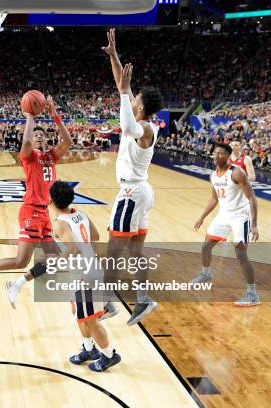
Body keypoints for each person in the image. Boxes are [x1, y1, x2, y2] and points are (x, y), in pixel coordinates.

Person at [0, 96, 72, 299]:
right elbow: (27, 141)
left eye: (41, 135)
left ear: (46, 140)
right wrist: (30, 117)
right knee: (21, 261)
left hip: (44, 214)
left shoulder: (51, 157)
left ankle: (17, 284)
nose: (38, 137)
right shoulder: (29, 157)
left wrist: (55, 116)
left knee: (55, 257)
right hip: (31, 210)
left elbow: (69, 142)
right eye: (35, 135)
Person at [101, 28, 164, 325]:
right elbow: (121, 86)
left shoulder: (146, 129)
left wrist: (126, 92)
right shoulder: (141, 119)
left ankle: (108, 302)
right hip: (140, 191)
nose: (130, 94)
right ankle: (143, 299)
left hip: (131, 193)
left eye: (133, 97)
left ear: (139, 106)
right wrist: (114, 55)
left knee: (114, 247)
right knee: (135, 249)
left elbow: (126, 125)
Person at [49, 181, 121, 372]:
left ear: (51, 201)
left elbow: (73, 249)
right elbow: (95, 236)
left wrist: (55, 261)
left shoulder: (59, 223)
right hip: (86, 270)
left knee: (90, 320)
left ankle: (109, 355)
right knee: (80, 315)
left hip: (85, 275)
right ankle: (89, 350)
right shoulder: (80, 213)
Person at [191, 143, 260, 306]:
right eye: (215, 153)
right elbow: (214, 199)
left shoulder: (236, 172)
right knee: (206, 246)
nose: (216, 156)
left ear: (228, 156)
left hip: (240, 215)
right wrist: (202, 216)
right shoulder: (213, 175)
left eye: (221, 153)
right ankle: (206, 274)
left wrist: (254, 224)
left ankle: (252, 294)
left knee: (241, 254)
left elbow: (252, 198)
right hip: (224, 214)